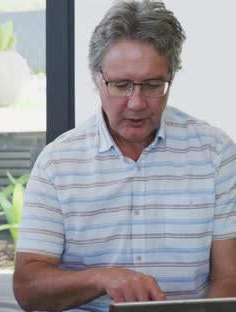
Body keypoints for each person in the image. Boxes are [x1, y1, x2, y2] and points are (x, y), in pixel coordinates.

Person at [13, 1, 236, 311]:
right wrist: (102, 278)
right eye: (120, 85)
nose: (136, 103)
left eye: (153, 84)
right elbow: (28, 289)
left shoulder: (216, 153)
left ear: (171, 77)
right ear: (95, 77)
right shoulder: (57, 163)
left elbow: (229, 279)